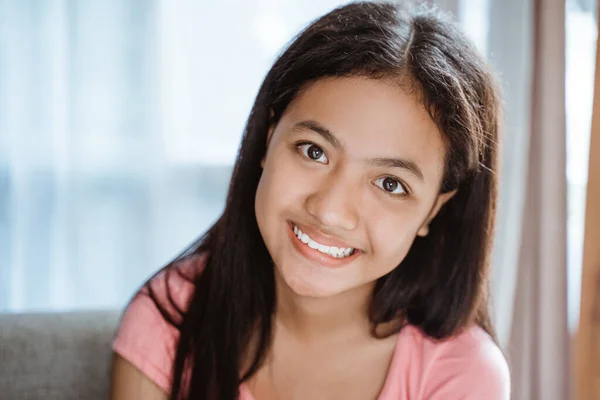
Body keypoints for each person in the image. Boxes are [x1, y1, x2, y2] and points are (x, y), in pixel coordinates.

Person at [109, 1, 511, 399]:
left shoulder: (463, 377)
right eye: (314, 151)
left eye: (390, 184)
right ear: (269, 139)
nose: (330, 210)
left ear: (433, 210)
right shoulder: (170, 319)